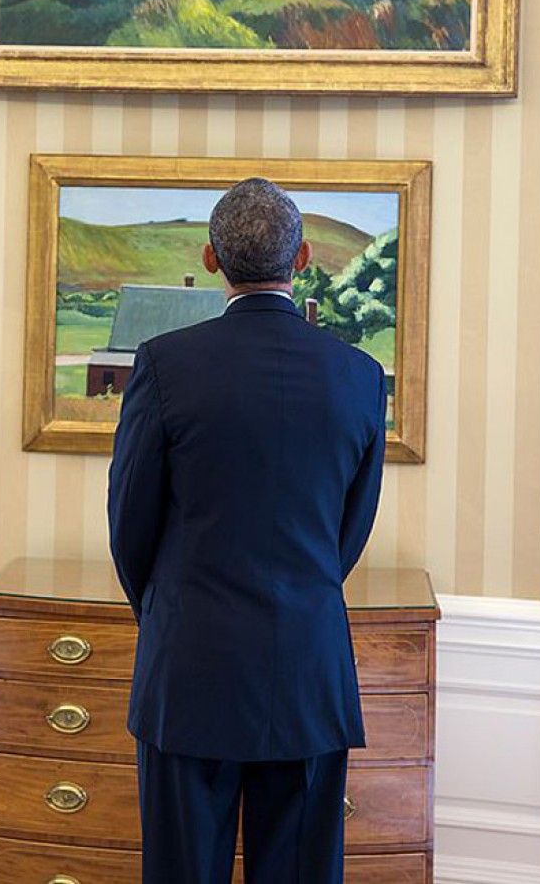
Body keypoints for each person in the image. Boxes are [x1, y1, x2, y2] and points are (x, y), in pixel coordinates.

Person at [107, 176, 387, 884]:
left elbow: (129, 525)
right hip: (308, 672)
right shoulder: (359, 375)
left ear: (210, 258)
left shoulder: (165, 364)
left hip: (190, 669)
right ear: (303, 261)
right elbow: (347, 535)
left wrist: (171, 614)